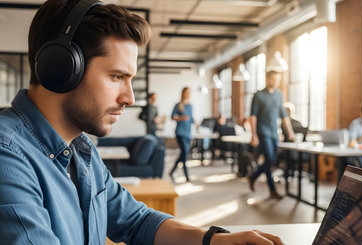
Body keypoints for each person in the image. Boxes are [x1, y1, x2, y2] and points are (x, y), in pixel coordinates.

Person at [0, 1, 283, 244]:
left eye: (131, 79)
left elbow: (136, 220)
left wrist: (213, 240)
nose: (130, 98)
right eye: (116, 77)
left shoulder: (81, 150)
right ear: (61, 68)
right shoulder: (7, 156)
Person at [247, 70, 295, 200]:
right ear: (268, 79)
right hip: (263, 132)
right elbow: (253, 116)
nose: (275, 82)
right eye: (273, 79)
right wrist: (254, 135)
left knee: (272, 160)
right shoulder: (259, 95)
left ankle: (253, 176)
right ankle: (272, 189)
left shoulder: (279, 95)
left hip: (274, 132)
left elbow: (284, 115)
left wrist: (290, 131)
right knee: (268, 157)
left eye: (278, 80)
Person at [169, 87, 194, 182]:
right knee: (184, 153)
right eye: (186, 92)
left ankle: (172, 171)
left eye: (189, 92)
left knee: (184, 154)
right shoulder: (178, 105)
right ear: (183, 93)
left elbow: (191, 119)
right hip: (180, 132)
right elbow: (172, 117)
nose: (188, 94)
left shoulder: (191, 106)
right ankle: (187, 175)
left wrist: (196, 123)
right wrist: (181, 118)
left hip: (188, 133)